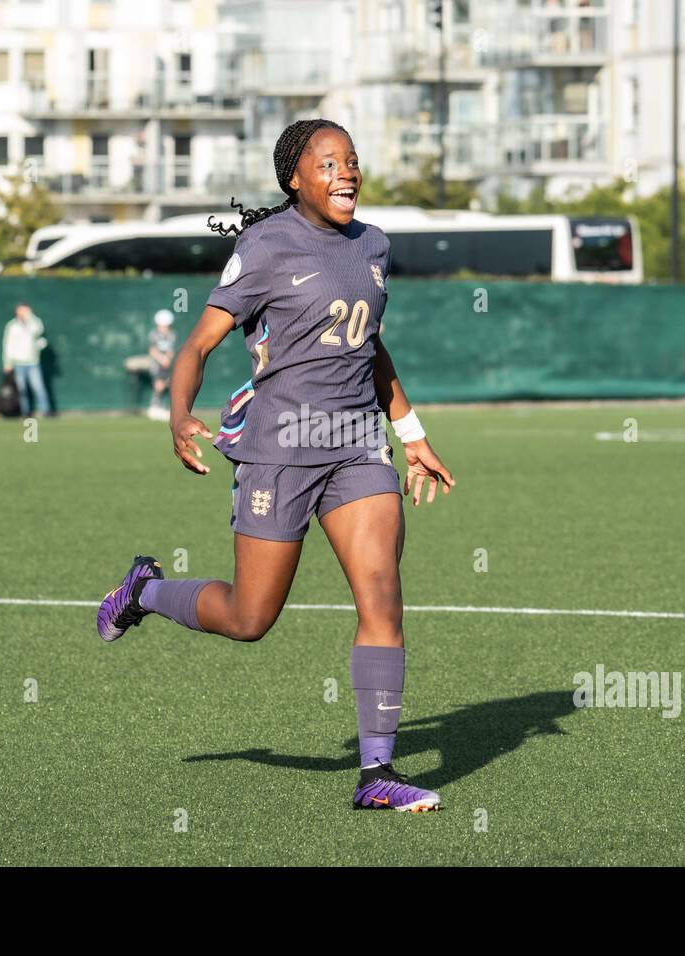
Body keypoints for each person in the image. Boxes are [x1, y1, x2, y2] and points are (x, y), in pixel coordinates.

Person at [96, 119, 456, 812]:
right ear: (295, 177)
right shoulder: (263, 246)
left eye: (352, 161)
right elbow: (199, 345)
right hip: (279, 450)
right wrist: (179, 416)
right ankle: (142, 591)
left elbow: (369, 348)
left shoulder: (374, 245)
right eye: (328, 163)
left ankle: (376, 774)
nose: (346, 173)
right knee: (250, 617)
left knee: (381, 593)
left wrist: (410, 434)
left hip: (356, 445)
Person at [2, 303, 51, 416]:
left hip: (33, 362)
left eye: (26, 311)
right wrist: (7, 362)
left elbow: (39, 330)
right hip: (18, 363)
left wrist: (30, 317)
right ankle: (25, 412)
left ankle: (45, 411)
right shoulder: (12, 326)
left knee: (39, 388)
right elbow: (8, 345)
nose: (24, 313)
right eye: (22, 311)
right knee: (21, 390)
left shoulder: (33, 323)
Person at [147, 308, 176, 421]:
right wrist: (161, 358)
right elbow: (152, 349)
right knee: (158, 384)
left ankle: (160, 407)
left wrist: (167, 358)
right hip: (157, 363)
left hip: (167, 364)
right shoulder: (154, 334)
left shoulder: (172, 334)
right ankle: (154, 407)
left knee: (166, 383)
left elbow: (171, 349)